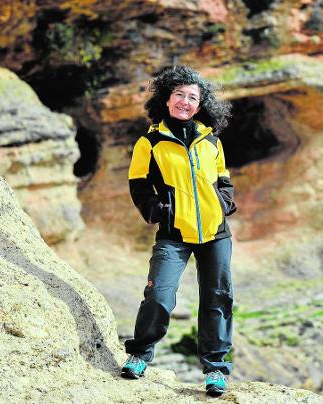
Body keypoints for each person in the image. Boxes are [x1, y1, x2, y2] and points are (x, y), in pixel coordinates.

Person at [120, 65, 236, 397]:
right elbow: (138, 183)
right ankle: (140, 355)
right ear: (167, 99)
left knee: (218, 299)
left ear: (201, 105)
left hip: (216, 233)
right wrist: (157, 209)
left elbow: (223, 177)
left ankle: (215, 370)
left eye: (193, 98)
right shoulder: (151, 141)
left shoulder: (211, 139)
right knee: (159, 294)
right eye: (179, 95)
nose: (185, 102)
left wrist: (224, 202)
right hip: (174, 233)